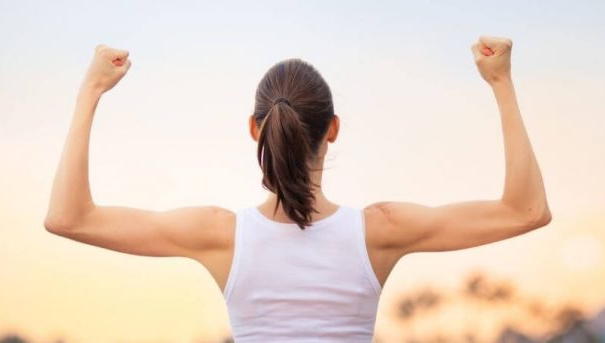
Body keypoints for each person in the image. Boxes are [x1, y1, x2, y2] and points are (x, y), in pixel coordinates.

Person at [44, 35, 551, 342]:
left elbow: (69, 218)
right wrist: (501, 82)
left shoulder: (221, 234)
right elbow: (525, 210)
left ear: (253, 129)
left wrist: (90, 90)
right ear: (333, 128)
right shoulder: (380, 230)